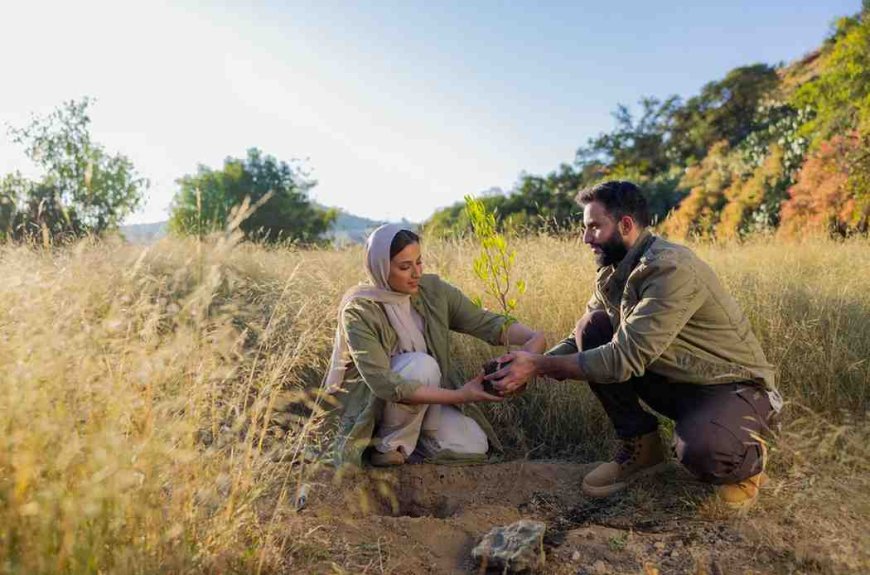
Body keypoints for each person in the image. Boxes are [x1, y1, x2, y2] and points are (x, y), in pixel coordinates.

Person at [487, 181, 781, 512]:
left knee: (703, 451)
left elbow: (623, 359)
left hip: (732, 388)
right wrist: (524, 366)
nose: (586, 238)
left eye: (594, 227)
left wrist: (537, 366)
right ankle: (643, 447)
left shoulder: (669, 268)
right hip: (678, 382)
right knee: (592, 329)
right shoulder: (615, 271)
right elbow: (579, 340)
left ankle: (745, 460)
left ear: (626, 225)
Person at [324, 223, 547, 467]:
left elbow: (485, 322)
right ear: (380, 268)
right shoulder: (359, 310)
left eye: (419, 262)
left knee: (473, 444)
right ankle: (387, 445)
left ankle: (412, 443)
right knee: (422, 365)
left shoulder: (433, 291)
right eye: (404, 267)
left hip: (427, 402)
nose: (416, 273)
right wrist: (460, 396)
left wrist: (533, 338)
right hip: (377, 407)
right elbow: (384, 384)